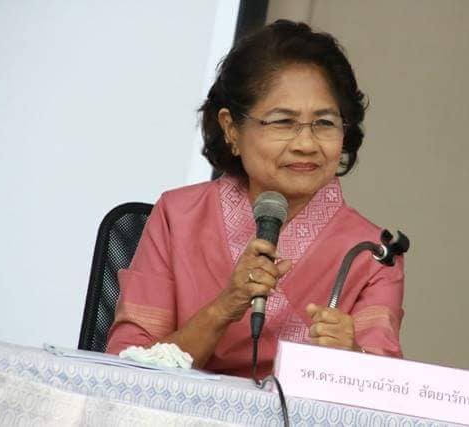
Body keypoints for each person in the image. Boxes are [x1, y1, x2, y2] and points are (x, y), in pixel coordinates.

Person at [106, 20, 404, 378]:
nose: (306, 144)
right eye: (283, 122)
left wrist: (351, 356)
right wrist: (224, 307)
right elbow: (124, 367)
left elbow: (383, 389)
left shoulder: (373, 252)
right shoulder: (177, 216)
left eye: (324, 123)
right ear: (231, 128)